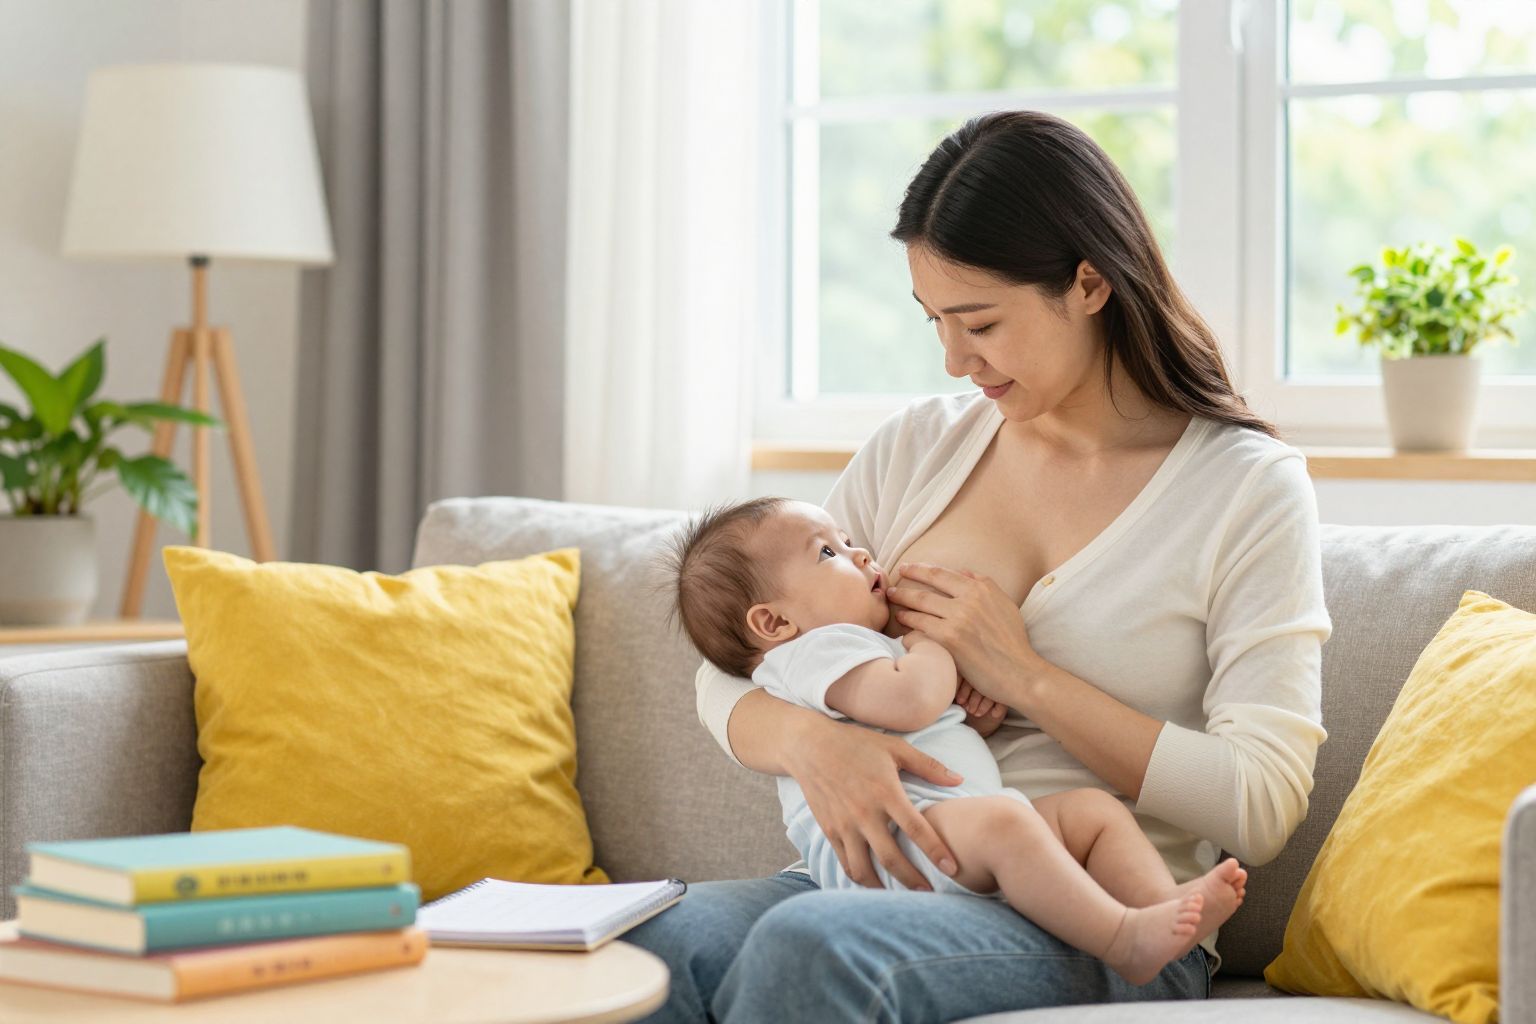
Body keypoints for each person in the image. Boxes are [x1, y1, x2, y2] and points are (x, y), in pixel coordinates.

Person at [628, 109, 1331, 1023]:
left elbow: (1262, 802)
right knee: (654, 943)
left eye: (981, 323)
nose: (956, 359)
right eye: (935, 323)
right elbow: (734, 669)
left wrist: (1029, 679)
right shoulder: (918, 447)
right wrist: (817, 742)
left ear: (1087, 283)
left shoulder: (1247, 491)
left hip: (1106, 913)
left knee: (815, 949)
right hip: (891, 880)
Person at [661, 495, 1248, 986]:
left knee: (1091, 813)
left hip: (941, 832)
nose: (860, 551)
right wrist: (934, 646)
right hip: (900, 847)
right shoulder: (817, 650)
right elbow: (910, 702)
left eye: (843, 539)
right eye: (829, 551)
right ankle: (1123, 936)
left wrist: (982, 707)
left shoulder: (845, 649)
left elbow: (915, 722)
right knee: (665, 940)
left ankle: (1158, 912)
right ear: (772, 624)